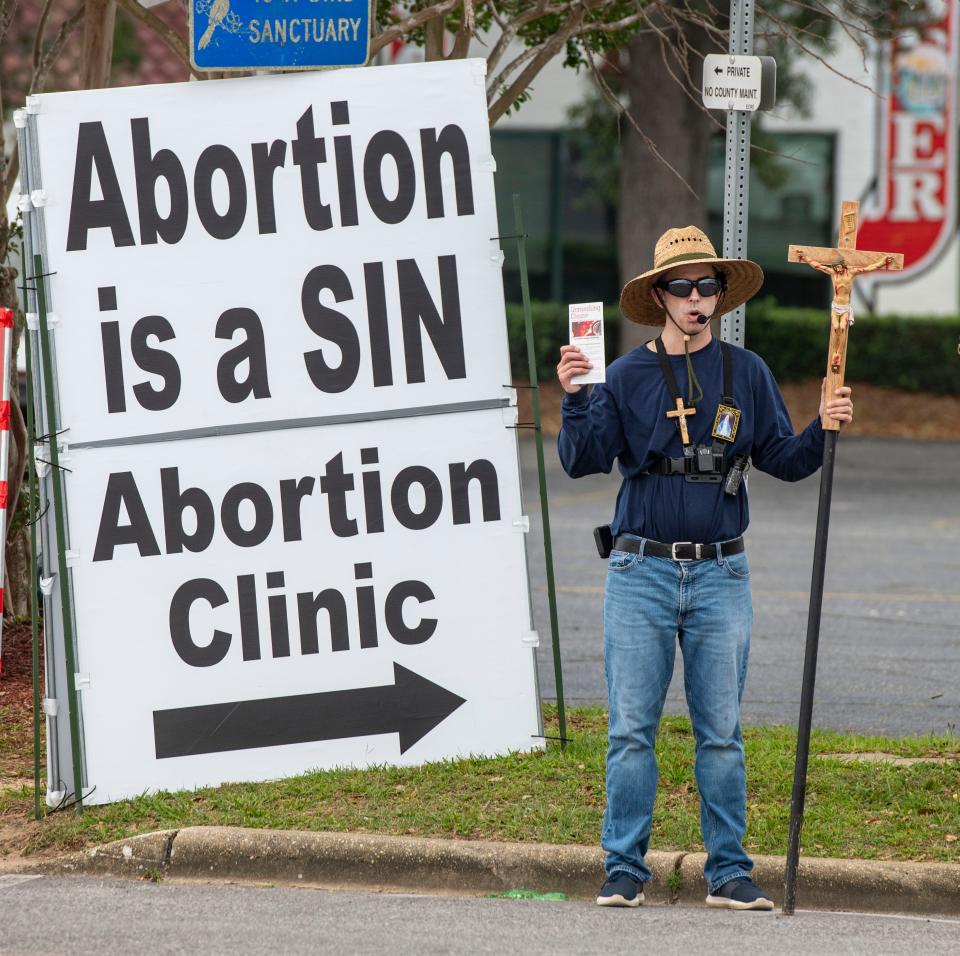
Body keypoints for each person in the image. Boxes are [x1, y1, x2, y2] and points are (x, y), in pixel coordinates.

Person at [556, 226, 853, 912]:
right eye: (684, 287)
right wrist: (574, 396)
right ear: (660, 296)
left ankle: (728, 871)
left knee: (721, 732)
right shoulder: (626, 374)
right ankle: (624, 867)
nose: (698, 298)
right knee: (632, 728)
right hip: (641, 572)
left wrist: (825, 426)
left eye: (708, 286)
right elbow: (583, 458)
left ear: (721, 295)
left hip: (721, 574)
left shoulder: (745, 372)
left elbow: (785, 458)